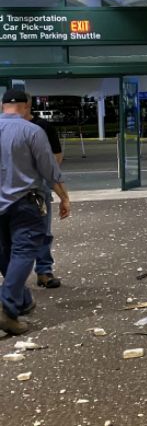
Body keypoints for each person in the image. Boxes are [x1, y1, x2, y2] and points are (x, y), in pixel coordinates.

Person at [0, 89, 70, 335]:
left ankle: (21, 301)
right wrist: (64, 197)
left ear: (2, 106)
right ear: (26, 106)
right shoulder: (32, 131)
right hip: (24, 202)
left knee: (5, 251)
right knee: (23, 250)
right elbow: (49, 170)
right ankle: (6, 307)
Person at [24, 94, 64, 289]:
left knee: (43, 231)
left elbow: (56, 157)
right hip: (11, 190)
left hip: (38, 189)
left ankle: (44, 271)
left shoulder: (43, 128)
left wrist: (47, 180)